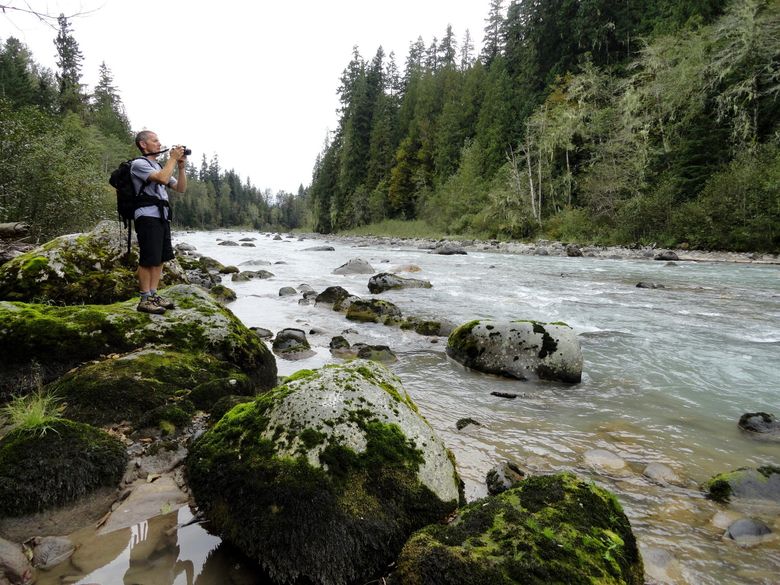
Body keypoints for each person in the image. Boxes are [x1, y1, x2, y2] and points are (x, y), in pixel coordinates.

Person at [131, 130, 187, 314]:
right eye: (154, 141)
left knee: (160, 258)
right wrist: (172, 159)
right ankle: (144, 298)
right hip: (147, 215)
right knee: (148, 258)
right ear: (143, 144)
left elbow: (180, 188)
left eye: (158, 140)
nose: (158, 143)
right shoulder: (139, 164)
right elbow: (162, 178)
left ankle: (154, 294)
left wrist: (180, 167)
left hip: (161, 215)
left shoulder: (160, 166)